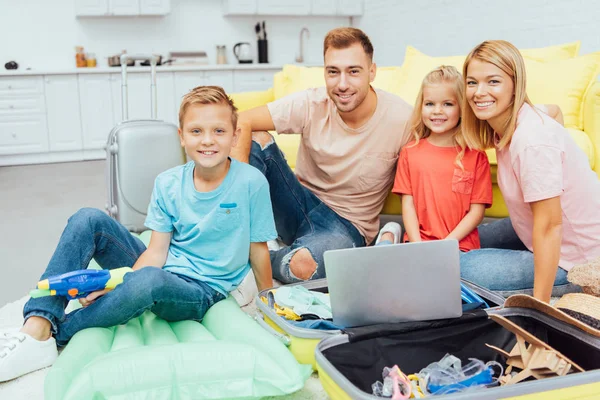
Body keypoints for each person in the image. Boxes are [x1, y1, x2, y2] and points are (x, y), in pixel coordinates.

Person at [0, 86, 277, 382]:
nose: (207, 140)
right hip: (164, 264)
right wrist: (122, 284)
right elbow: (157, 251)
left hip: (201, 290)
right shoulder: (168, 183)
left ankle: (59, 332)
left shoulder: (251, 183)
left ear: (234, 137)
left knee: (148, 281)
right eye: (196, 131)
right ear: (182, 137)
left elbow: (257, 248)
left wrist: (269, 300)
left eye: (219, 131)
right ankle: (37, 323)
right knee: (88, 219)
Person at [230, 27, 413, 284]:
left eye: (353, 71)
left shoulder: (402, 118)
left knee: (303, 266)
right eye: (333, 72)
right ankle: (242, 236)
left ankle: (262, 255)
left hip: (346, 226)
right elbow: (242, 120)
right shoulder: (311, 103)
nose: (342, 84)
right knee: (255, 138)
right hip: (297, 202)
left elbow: (422, 173)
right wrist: (234, 200)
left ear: (372, 71)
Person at [460, 40, 600, 302]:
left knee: (458, 268)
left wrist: (539, 305)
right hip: (534, 228)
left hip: (580, 262)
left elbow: (549, 227)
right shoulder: (521, 118)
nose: (479, 92)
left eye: (493, 81)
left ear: (515, 84)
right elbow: (556, 111)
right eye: (471, 82)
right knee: (464, 239)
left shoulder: (531, 141)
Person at [375, 66, 493, 252]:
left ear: (462, 108)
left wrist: (445, 245)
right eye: (430, 104)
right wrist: (417, 246)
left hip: (460, 247)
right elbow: (408, 205)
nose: (437, 111)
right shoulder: (410, 152)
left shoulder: (477, 156)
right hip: (418, 244)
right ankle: (388, 239)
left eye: (447, 104)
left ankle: (389, 240)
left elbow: (476, 212)